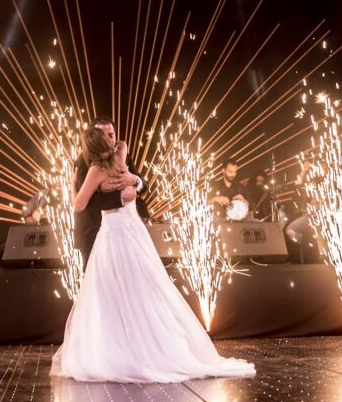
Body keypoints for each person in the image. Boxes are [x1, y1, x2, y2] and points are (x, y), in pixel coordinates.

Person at [51, 127, 255, 383]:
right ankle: (144, 345)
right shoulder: (119, 158)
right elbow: (128, 183)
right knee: (142, 286)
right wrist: (125, 189)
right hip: (133, 230)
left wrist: (75, 185)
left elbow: (79, 204)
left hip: (114, 233)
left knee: (111, 290)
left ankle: (122, 349)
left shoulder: (95, 169)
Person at [72, 116, 144, 267]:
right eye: (103, 136)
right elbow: (91, 202)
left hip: (120, 228)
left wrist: (136, 180)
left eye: (111, 135)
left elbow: (78, 204)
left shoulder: (98, 168)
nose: (108, 139)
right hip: (93, 231)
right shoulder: (85, 162)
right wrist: (121, 197)